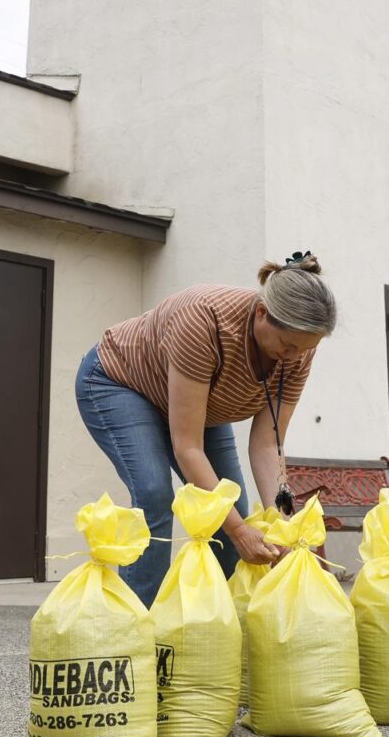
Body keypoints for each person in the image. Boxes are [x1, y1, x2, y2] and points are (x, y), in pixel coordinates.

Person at [74, 252, 338, 606]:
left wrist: (284, 525)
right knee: (155, 494)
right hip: (121, 383)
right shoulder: (204, 320)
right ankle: (137, 624)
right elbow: (188, 447)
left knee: (233, 510)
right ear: (262, 313)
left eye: (305, 350)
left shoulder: (298, 348)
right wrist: (239, 530)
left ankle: (224, 624)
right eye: (287, 347)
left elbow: (267, 445)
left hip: (203, 407)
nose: (293, 358)